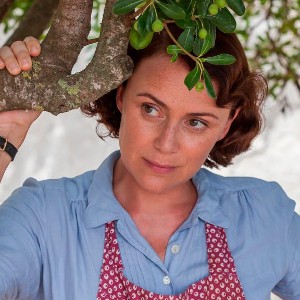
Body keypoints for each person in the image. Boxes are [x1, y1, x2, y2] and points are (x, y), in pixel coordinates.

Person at [0, 26, 299, 300]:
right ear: (121, 94)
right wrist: (5, 133)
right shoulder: (41, 218)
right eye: (151, 109)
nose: (165, 144)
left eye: (196, 122)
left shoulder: (265, 216)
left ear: (226, 123)